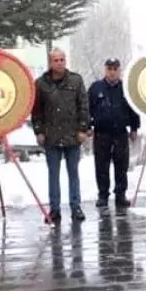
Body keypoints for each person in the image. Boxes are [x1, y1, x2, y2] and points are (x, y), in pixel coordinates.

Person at [32, 49, 90, 224]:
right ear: (50, 63)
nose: (60, 62)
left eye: (62, 59)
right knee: (53, 174)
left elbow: (84, 106)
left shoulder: (76, 80)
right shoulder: (41, 83)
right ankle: (54, 210)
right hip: (51, 136)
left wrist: (82, 129)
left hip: (72, 134)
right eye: (56, 60)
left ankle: (76, 207)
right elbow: (36, 111)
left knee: (73, 173)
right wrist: (39, 131)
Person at [88, 58, 141, 210]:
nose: (112, 72)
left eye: (115, 69)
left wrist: (134, 128)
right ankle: (103, 195)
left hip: (120, 133)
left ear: (119, 70)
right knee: (101, 166)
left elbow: (133, 109)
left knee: (121, 165)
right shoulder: (96, 88)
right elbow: (87, 108)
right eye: (109, 69)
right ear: (105, 70)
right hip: (101, 133)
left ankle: (120, 194)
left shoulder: (126, 88)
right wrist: (87, 126)